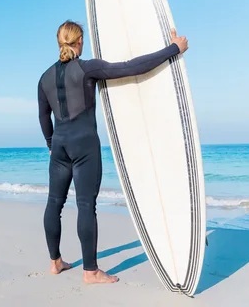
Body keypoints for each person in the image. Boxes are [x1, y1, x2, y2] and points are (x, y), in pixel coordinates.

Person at [37, 20, 188, 284]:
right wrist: (173, 49)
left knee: (54, 203)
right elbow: (132, 67)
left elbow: (43, 116)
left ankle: (55, 262)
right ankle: (91, 271)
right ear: (79, 41)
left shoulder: (44, 78)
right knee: (85, 205)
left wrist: (52, 145)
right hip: (84, 145)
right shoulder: (87, 68)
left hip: (59, 147)